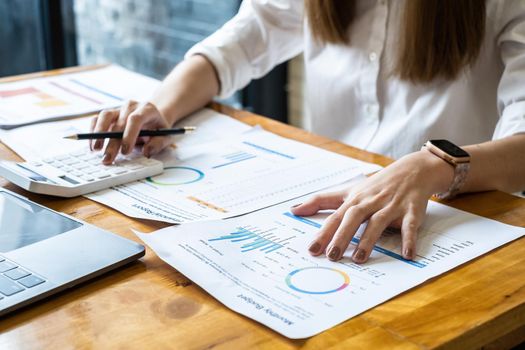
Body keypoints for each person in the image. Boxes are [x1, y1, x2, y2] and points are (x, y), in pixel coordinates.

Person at [91, 0, 525, 264]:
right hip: (329, 200)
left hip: (459, 219)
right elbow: (240, 43)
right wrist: (161, 109)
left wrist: (435, 166)